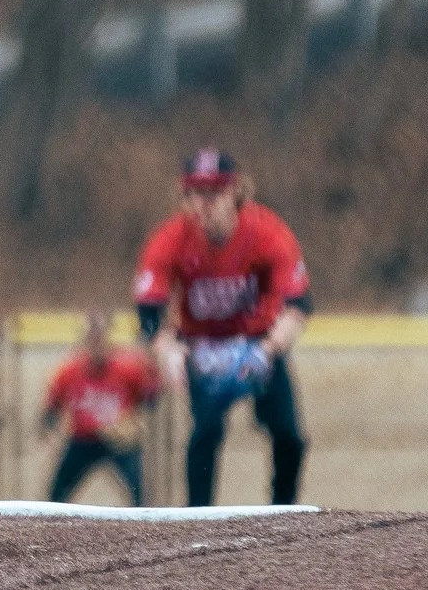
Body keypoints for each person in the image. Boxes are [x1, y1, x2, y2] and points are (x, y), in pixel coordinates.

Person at [132, 149, 312, 506]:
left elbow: (298, 304)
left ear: (236, 192)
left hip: (258, 342)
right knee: (206, 432)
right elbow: (149, 309)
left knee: (289, 435)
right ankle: (198, 519)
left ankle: (285, 515)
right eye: (196, 192)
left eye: (216, 191)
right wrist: (168, 349)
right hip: (205, 346)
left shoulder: (265, 231)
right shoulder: (172, 238)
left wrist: (269, 349)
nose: (206, 202)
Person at [39, 310, 156, 504]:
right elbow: (51, 408)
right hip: (83, 440)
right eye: (92, 339)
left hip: (119, 442)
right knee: (56, 495)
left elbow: (147, 399)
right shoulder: (71, 370)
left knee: (139, 494)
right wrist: (48, 432)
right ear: (85, 341)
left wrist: (133, 423)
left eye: (100, 338)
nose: (96, 345)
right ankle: (55, 531)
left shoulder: (127, 369)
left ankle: (143, 528)